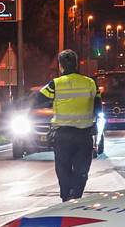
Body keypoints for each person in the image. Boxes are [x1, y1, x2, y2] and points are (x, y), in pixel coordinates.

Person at [40, 49, 101, 202]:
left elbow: (37, 100)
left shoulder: (55, 84)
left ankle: (66, 198)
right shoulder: (90, 83)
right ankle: (77, 196)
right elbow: (98, 108)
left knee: (63, 169)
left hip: (63, 136)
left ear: (60, 66)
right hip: (84, 135)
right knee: (82, 170)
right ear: (76, 64)